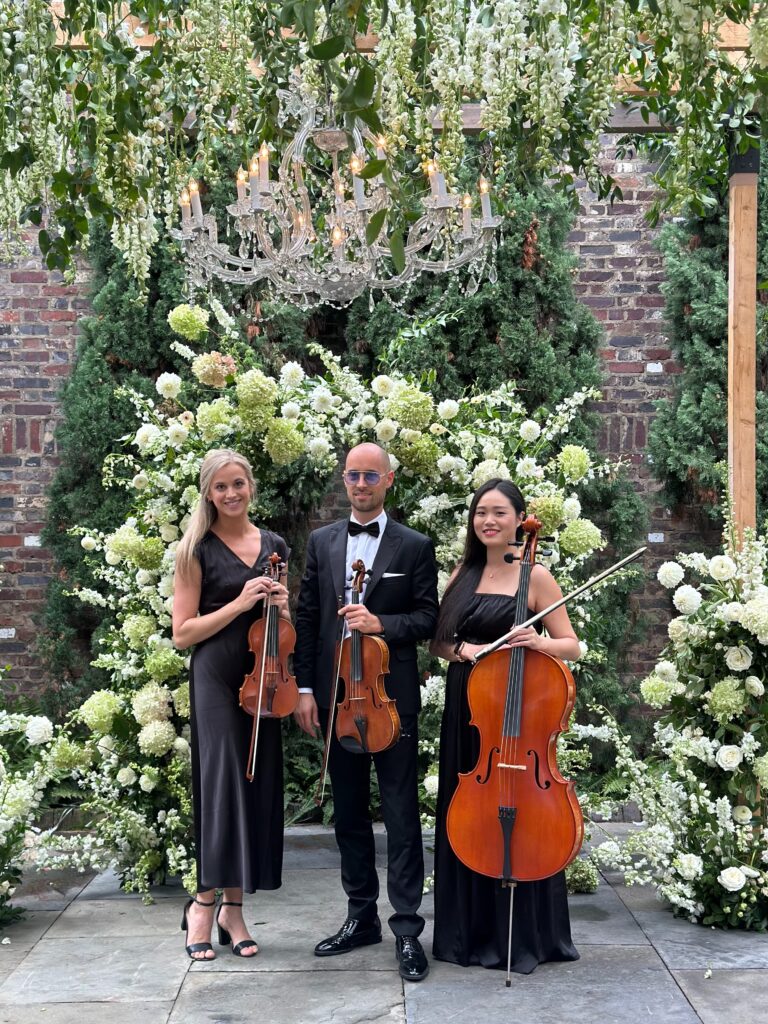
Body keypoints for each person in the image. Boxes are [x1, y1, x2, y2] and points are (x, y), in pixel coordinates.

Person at [293, 442, 439, 982]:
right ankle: (361, 918)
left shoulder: (415, 545)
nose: (360, 483)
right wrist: (306, 688)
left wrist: (383, 624)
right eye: (353, 474)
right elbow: (308, 618)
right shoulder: (324, 541)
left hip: (390, 701)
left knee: (401, 816)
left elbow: (428, 617)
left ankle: (405, 929)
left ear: (389, 481)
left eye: (370, 475)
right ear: (345, 479)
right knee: (350, 815)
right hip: (336, 700)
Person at [429, 477, 581, 974]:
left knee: (521, 812)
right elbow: (439, 642)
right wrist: (466, 651)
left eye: (498, 512)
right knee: (468, 814)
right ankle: (464, 935)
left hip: (515, 718)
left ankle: (524, 936)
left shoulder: (535, 578)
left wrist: (537, 644)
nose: (488, 521)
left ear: (519, 520)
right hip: (469, 708)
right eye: (480, 513)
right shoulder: (463, 571)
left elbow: (571, 645)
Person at [172, 448, 291, 961]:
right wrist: (240, 602)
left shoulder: (274, 544)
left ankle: (234, 909)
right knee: (222, 783)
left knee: (254, 779)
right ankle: (202, 903)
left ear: (251, 486)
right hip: (216, 677)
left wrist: (280, 605)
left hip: (262, 677)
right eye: (221, 487)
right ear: (209, 493)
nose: (231, 493)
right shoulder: (194, 549)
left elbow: (282, 630)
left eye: (238, 483)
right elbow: (182, 633)